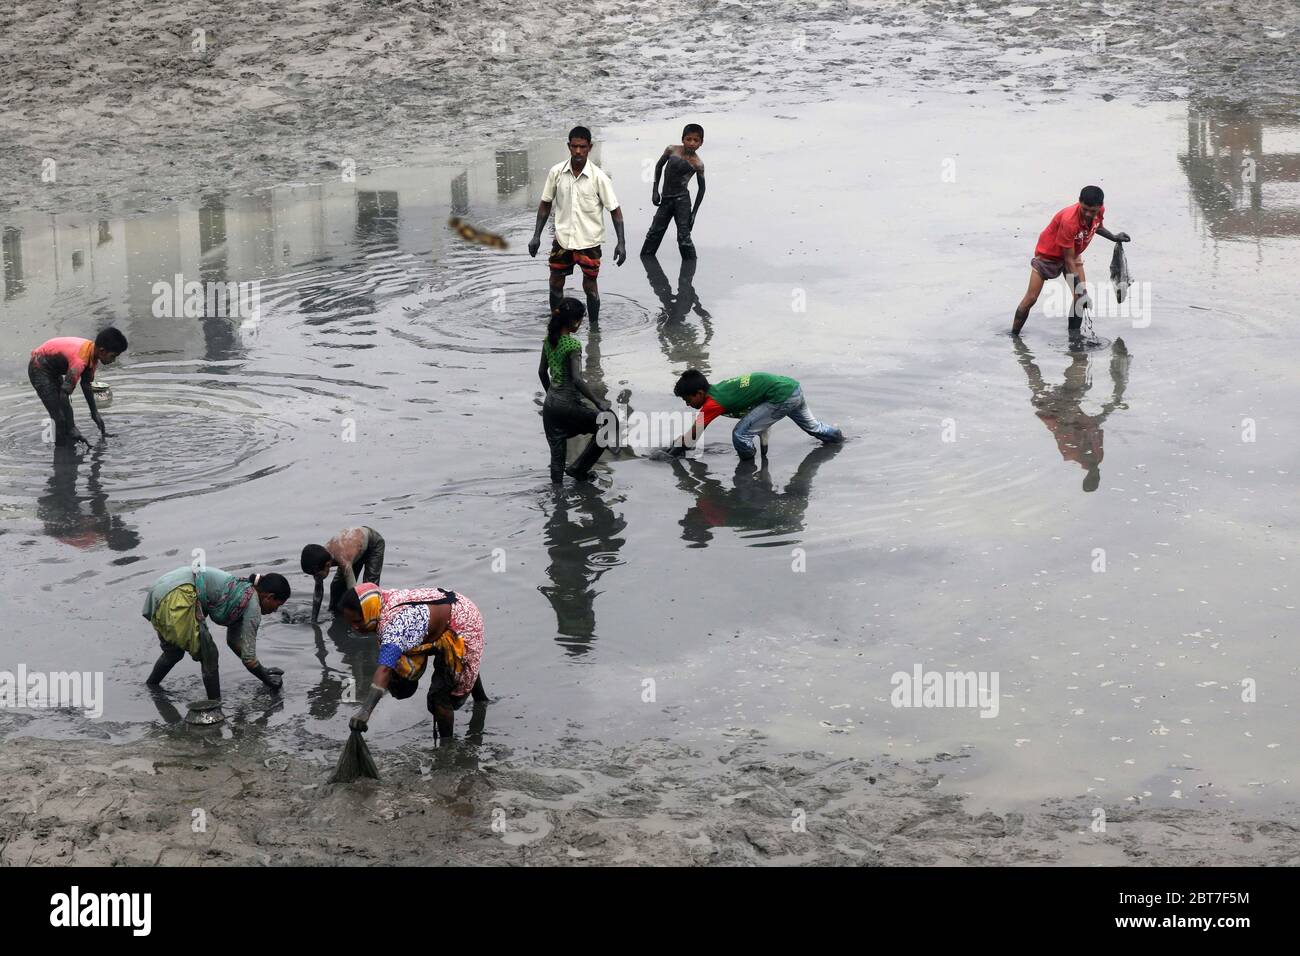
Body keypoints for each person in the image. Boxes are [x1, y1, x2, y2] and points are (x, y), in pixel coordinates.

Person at [340, 583, 488, 739]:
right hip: (447, 611)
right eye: (350, 623)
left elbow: (384, 669)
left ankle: (447, 748)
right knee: (403, 671)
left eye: (357, 622)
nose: (354, 628)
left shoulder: (395, 626)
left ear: (369, 612)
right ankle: (482, 701)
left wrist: (365, 712)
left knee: (439, 698)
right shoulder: (380, 601)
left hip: (462, 624)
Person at [142, 565, 290, 700]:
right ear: (269, 597)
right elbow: (249, 659)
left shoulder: (242, 592)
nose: (275, 611)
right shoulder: (253, 606)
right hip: (179, 595)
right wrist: (268, 681)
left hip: (161, 590)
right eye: (277, 605)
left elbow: (234, 642)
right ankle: (215, 707)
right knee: (210, 656)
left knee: (173, 653)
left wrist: (262, 669)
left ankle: (151, 688)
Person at [527, 125, 627, 322]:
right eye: (574, 147)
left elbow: (615, 211)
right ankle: (557, 325)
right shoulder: (556, 172)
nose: (578, 151)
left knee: (590, 286)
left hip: (589, 242)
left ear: (590, 147)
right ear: (569, 147)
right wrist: (536, 235)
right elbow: (545, 204)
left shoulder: (599, 178)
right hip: (562, 239)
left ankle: (594, 331)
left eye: (582, 147)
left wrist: (621, 243)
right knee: (555, 283)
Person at [1012, 185, 1131, 340]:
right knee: (1031, 298)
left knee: (1079, 300)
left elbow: (1096, 226)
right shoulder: (1070, 221)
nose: (1088, 214)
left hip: (1072, 253)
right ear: (1079, 202)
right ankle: (1014, 336)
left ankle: (1074, 339)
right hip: (1049, 256)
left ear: (1100, 207)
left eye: (1092, 211)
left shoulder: (1098, 212)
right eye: (1084, 209)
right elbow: (1068, 260)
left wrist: (1114, 237)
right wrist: (1080, 290)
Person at [669, 370, 842, 461]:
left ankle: (748, 469)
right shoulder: (719, 389)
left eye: (687, 399)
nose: (687, 404)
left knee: (740, 435)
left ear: (699, 393)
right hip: (792, 388)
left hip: (781, 396)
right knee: (814, 427)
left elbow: (694, 434)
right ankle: (839, 438)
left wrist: (672, 453)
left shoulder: (713, 403)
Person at [539, 298, 616, 482]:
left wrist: (552, 395)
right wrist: (598, 402)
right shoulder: (572, 345)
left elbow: (542, 372)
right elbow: (577, 379)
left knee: (557, 460)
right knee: (609, 422)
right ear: (575, 321)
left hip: (550, 407)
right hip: (568, 404)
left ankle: (558, 499)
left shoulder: (549, 340)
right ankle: (579, 469)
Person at [28, 328, 128, 447]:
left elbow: (86, 385)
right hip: (39, 367)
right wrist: (72, 427)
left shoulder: (92, 354)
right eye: (113, 356)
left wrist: (94, 413)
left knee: (65, 413)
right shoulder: (80, 361)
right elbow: (64, 394)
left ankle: (69, 444)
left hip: (52, 368)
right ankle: (62, 454)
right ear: (102, 351)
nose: (113, 360)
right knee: (59, 417)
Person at [641, 123, 706, 259]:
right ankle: (646, 259)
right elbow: (658, 166)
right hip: (666, 199)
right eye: (689, 139)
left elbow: (702, 189)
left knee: (684, 237)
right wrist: (655, 190)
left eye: (696, 140)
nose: (692, 143)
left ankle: (690, 267)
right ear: (682, 139)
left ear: (701, 143)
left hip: (682, 202)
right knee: (654, 232)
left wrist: (694, 213)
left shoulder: (697, 164)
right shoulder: (671, 150)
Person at [300, 526, 386, 622]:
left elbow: (354, 592)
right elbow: (318, 591)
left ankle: (371, 619)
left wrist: (356, 621)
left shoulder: (343, 560)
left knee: (369, 589)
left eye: (317, 575)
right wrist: (313, 620)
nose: (316, 578)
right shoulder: (320, 558)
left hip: (373, 544)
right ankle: (335, 613)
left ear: (328, 565)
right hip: (354, 548)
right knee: (337, 586)